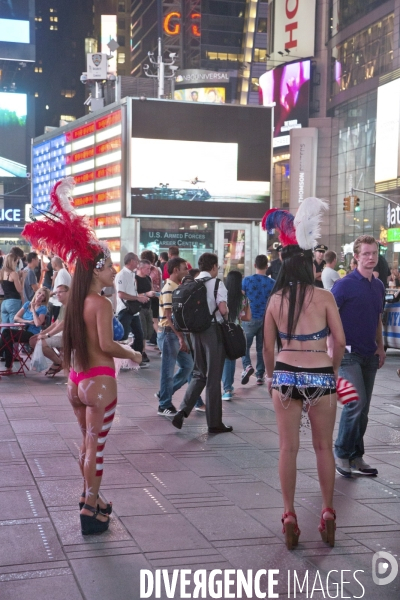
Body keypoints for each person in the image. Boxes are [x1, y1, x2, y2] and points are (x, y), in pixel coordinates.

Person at [22, 176, 142, 536]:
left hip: (75, 382)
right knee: (97, 447)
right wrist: (133, 354)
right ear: (96, 269)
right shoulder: (101, 303)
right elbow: (106, 345)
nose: (113, 272)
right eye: (108, 267)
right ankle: (90, 505)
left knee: (87, 444)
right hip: (99, 382)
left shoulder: (74, 302)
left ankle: (94, 500)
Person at [263, 199, 345, 550]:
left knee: (288, 448)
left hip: (285, 377)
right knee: (324, 447)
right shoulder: (325, 297)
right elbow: (339, 341)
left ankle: (289, 515)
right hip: (320, 376)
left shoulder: (276, 299)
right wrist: (334, 369)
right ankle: (327, 512)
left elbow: (267, 348)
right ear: (309, 264)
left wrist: (270, 377)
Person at [332, 235, 386, 478]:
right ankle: (342, 453)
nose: (371, 257)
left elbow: (377, 319)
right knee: (355, 403)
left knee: (363, 410)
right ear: (356, 256)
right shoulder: (344, 284)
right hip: (347, 355)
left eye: (374, 253)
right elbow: (328, 317)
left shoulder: (379, 286)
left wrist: (381, 347)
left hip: (369, 354)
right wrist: (331, 348)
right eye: (365, 253)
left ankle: (356, 456)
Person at [172, 253, 232, 433]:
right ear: (213, 267)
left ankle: (182, 410)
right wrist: (227, 314)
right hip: (213, 332)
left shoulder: (191, 282)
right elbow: (222, 309)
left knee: (199, 373)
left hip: (194, 333)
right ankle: (214, 423)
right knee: (214, 378)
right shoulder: (217, 283)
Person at [241, 255, 275, 385]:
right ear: (267, 266)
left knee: (244, 346)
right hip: (266, 319)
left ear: (255, 265)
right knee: (262, 348)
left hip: (249, 318)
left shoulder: (246, 281)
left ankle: (247, 366)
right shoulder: (273, 282)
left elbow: (241, 298)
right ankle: (260, 374)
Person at [0, 287, 50, 373]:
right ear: (36, 293)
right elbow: (16, 317)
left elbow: (38, 323)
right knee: (8, 339)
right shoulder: (27, 304)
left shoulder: (43, 308)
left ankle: (4, 359)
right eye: (39, 293)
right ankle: (9, 367)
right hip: (23, 330)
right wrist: (27, 321)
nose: (39, 296)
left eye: (42, 296)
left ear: (44, 299)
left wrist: (34, 310)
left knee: (6, 332)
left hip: (32, 334)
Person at [30, 284, 70, 376]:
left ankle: (59, 363)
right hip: (61, 335)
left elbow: (62, 325)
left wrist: (47, 335)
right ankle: (59, 362)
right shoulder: (63, 306)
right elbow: (56, 323)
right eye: (56, 293)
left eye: (60, 292)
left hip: (69, 337)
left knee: (41, 343)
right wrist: (43, 333)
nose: (58, 294)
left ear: (68, 293)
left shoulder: (70, 306)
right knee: (34, 340)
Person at [116, 252, 148, 366]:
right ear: (130, 261)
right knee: (122, 337)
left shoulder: (132, 274)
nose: (138, 262)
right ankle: (121, 361)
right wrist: (137, 298)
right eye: (136, 260)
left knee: (139, 335)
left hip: (134, 311)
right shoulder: (122, 275)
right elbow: (121, 294)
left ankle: (136, 359)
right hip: (125, 310)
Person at [222, 270, 249, 400]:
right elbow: (248, 317)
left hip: (223, 330)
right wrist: (238, 317)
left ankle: (227, 389)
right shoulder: (243, 298)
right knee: (232, 358)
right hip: (237, 331)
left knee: (226, 359)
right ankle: (229, 386)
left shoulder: (222, 296)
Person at [135, 259, 156, 363]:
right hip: (139, 308)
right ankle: (142, 351)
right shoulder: (135, 278)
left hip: (148, 307)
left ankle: (139, 349)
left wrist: (153, 293)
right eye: (147, 268)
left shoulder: (148, 278)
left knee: (148, 331)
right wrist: (146, 294)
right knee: (142, 330)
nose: (149, 270)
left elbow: (151, 290)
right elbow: (133, 294)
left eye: (150, 268)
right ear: (141, 268)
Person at [0, 252, 23, 324]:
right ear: (13, 261)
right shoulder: (13, 273)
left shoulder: (1, 272)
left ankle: (3, 336)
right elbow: (19, 289)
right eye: (16, 261)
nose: (17, 263)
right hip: (14, 301)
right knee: (13, 326)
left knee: (4, 326)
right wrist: (23, 278)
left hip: (4, 302)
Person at [49, 256, 71, 321]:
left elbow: (61, 288)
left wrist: (50, 293)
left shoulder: (62, 272)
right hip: (58, 303)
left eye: (51, 263)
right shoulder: (62, 272)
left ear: (55, 264)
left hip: (58, 304)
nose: (51, 264)